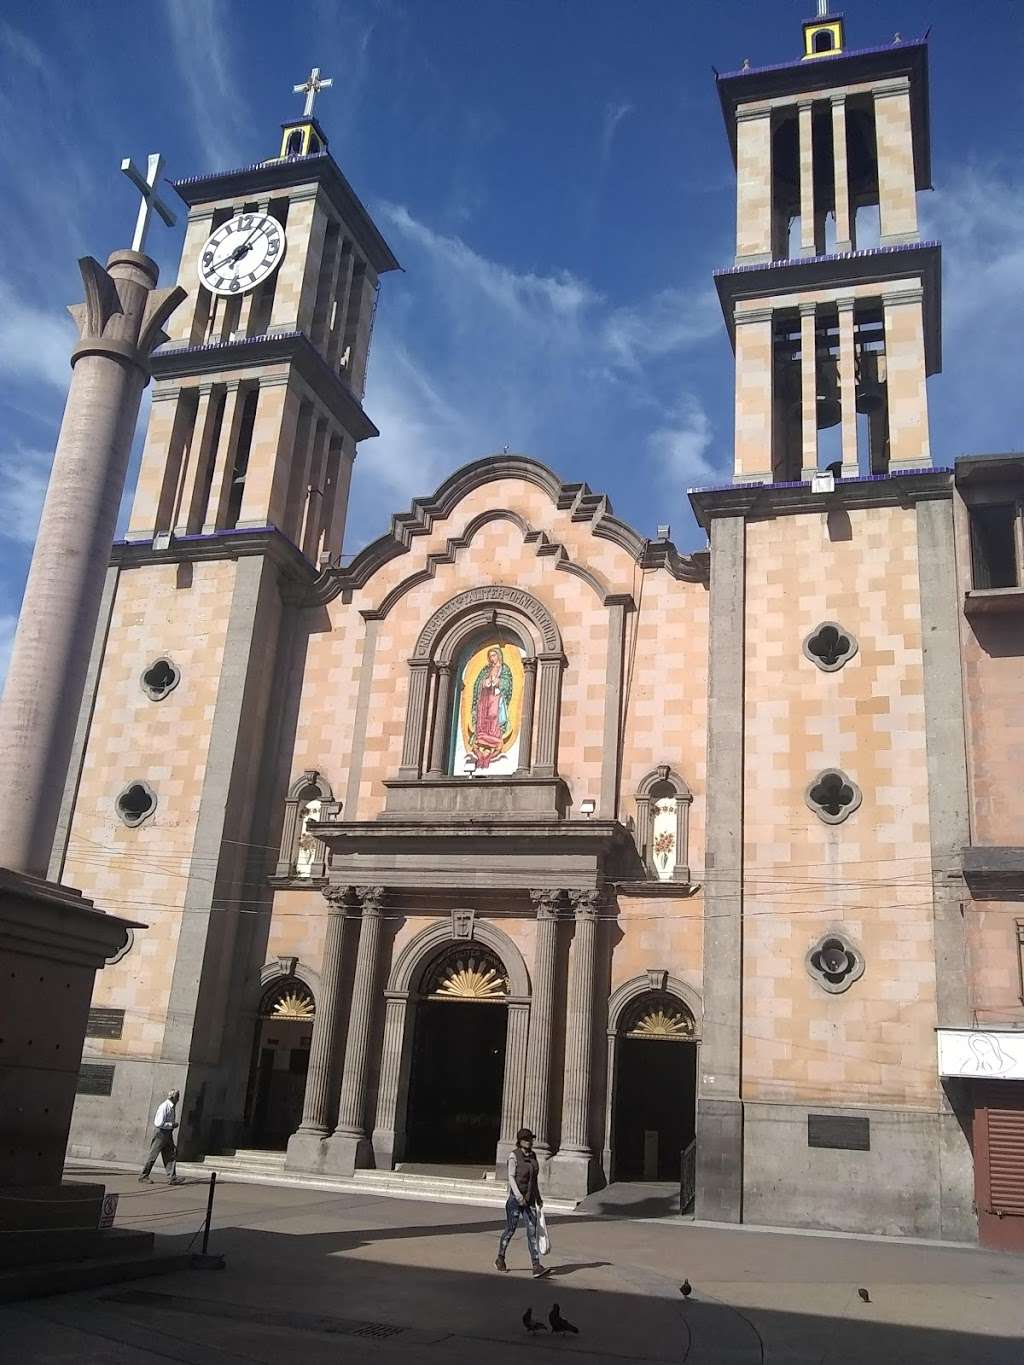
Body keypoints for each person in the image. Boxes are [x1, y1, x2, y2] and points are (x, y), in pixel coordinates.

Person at [495, 1127, 549, 1276]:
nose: (530, 1141)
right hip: (516, 1199)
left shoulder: (533, 1156)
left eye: (531, 1139)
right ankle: (500, 1258)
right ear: (520, 1141)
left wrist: (538, 1198)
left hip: (530, 1199)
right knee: (510, 1230)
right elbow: (511, 1177)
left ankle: (536, 1265)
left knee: (532, 1232)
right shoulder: (514, 1156)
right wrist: (518, 1196)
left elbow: (534, 1180)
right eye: (527, 1139)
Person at [138, 1089, 184, 1184]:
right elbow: (158, 1123)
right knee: (153, 1154)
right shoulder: (164, 1107)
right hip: (161, 1133)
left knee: (170, 1155)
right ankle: (143, 1175)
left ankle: (172, 1177)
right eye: (177, 1097)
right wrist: (172, 1125)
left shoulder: (171, 1107)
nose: (178, 1099)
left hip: (168, 1133)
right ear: (172, 1097)